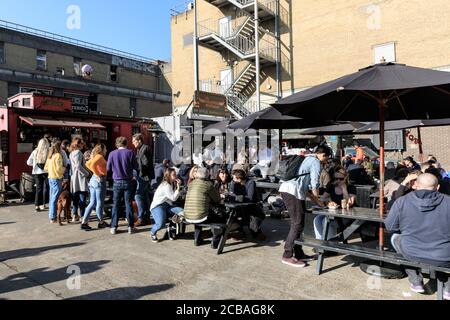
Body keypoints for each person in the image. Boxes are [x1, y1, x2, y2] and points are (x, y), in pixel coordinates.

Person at [385, 173, 450, 298]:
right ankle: (448, 288)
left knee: (395, 238)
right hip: (444, 255)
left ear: (415, 185)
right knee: (443, 252)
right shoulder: (448, 202)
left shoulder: (402, 201)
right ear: (437, 187)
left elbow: (390, 227)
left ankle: (415, 280)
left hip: (412, 252)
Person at [278, 146, 331, 267]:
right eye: (327, 159)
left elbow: (305, 188)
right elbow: (314, 184)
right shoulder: (316, 162)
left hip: (289, 189)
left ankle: (299, 253)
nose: (326, 162)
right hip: (293, 191)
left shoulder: (305, 158)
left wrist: (316, 201)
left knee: (298, 224)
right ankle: (287, 255)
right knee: (297, 223)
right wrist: (318, 199)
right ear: (323, 155)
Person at [183, 167, 225, 248]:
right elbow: (217, 199)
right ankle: (215, 241)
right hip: (199, 216)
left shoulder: (191, 184)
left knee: (199, 213)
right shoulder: (208, 185)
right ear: (207, 175)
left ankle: (197, 239)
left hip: (187, 216)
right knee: (220, 217)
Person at [107, 136, 139, 235]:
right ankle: (130, 226)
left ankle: (113, 227)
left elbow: (108, 169)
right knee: (128, 204)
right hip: (128, 181)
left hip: (116, 181)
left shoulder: (112, 154)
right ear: (126, 143)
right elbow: (136, 167)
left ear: (117, 144)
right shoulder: (130, 153)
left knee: (116, 204)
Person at [314, 167, 356, 240]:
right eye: (336, 178)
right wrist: (328, 201)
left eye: (341, 179)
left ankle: (329, 246)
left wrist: (344, 189)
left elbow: (349, 204)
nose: (338, 181)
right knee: (317, 219)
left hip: (347, 215)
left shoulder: (351, 187)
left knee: (326, 221)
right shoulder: (332, 186)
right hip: (334, 213)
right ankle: (320, 243)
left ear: (346, 177)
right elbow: (322, 198)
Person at [230, 169, 266, 240]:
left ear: (239, 178)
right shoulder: (234, 183)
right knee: (231, 214)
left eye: (234, 177)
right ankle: (239, 231)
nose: (233, 179)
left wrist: (237, 197)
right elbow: (231, 194)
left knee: (253, 219)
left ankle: (256, 232)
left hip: (252, 206)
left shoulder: (250, 183)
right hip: (239, 206)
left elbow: (250, 198)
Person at [149, 168, 183, 242]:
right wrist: (178, 187)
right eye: (174, 175)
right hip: (158, 206)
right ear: (168, 176)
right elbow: (173, 198)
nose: (176, 176)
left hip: (167, 205)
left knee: (182, 212)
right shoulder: (166, 185)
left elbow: (172, 198)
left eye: (175, 174)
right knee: (160, 224)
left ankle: (170, 230)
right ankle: (152, 232)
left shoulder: (171, 183)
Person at [81, 144, 109, 230]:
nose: (106, 150)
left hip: (93, 180)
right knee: (100, 202)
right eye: (105, 148)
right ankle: (101, 222)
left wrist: (95, 173)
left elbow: (87, 164)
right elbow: (91, 165)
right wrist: (98, 173)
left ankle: (84, 222)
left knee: (92, 202)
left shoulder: (95, 156)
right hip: (99, 180)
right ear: (102, 149)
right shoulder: (100, 156)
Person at [132, 133, 154, 226]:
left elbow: (145, 164)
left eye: (134, 141)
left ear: (139, 140)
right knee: (145, 197)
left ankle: (141, 218)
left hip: (143, 177)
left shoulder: (144, 148)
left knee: (138, 196)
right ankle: (147, 218)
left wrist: (139, 175)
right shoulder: (140, 149)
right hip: (145, 176)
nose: (133, 143)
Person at [44, 140, 66, 223]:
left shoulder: (50, 156)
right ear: (59, 147)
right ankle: (53, 217)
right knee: (55, 198)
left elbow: (45, 168)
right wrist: (64, 169)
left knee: (52, 198)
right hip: (57, 178)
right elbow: (59, 169)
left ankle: (52, 216)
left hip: (51, 177)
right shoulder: (58, 156)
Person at [69, 138, 90, 223]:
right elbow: (78, 166)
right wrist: (87, 173)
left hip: (74, 178)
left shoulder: (71, 153)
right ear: (78, 144)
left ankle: (74, 215)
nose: (83, 144)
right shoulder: (78, 153)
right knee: (82, 198)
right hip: (80, 178)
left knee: (75, 198)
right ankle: (82, 216)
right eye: (82, 143)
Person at [27, 147, 48, 212]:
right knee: (46, 188)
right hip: (46, 171)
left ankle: (37, 205)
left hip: (37, 172)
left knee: (38, 189)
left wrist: (34, 164)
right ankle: (44, 204)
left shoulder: (34, 152)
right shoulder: (47, 151)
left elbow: (28, 162)